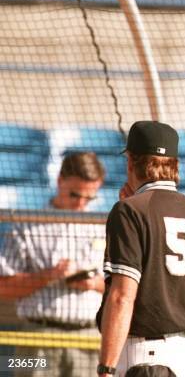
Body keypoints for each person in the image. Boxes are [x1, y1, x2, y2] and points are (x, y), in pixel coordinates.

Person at [96, 121, 185, 377]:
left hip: (146, 359)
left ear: (131, 162)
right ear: (174, 165)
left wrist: (106, 368)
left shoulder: (129, 211)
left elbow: (122, 296)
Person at [0, 151, 106, 377]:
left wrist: (94, 283)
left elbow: (122, 289)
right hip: (35, 339)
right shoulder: (25, 225)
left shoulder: (103, 226)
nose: (80, 203)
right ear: (59, 181)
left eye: (89, 198)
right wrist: (49, 275)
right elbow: (3, 287)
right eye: (75, 194)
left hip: (88, 340)